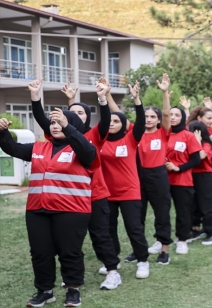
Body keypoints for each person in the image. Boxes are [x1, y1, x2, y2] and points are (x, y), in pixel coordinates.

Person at [31, 79, 123, 291]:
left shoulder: (92, 135)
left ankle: (112, 271)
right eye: (71, 113)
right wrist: (36, 98)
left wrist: (102, 98)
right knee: (68, 241)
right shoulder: (59, 135)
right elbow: (42, 118)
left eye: (81, 113)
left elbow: (106, 118)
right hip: (69, 199)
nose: (71, 118)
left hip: (95, 195)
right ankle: (70, 277)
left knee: (101, 235)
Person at [0, 108, 96, 307]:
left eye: (60, 122)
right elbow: (13, 149)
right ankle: (44, 291)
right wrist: (2, 132)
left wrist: (66, 125)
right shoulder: (38, 148)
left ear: (72, 126)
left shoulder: (83, 148)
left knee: (70, 252)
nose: (55, 125)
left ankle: (73, 290)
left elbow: (88, 153)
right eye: (52, 123)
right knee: (40, 252)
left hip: (72, 210)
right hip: (38, 210)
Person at [100, 82, 152, 280]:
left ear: (123, 124)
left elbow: (140, 122)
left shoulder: (131, 139)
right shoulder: (100, 140)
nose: (112, 124)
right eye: (109, 121)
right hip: (107, 192)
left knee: (134, 228)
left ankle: (142, 261)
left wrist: (137, 100)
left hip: (129, 191)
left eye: (116, 121)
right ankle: (113, 261)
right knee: (108, 229)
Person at [139, 74, 174, 265]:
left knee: (162, 213)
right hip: (138, 176)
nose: (149, 119)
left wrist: (165, 93)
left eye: (153, 116)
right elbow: (115, 114)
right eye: (145, 116)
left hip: (158, 175)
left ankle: (164, 249)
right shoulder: (134, 134)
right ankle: (139, 250)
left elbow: (167, 114)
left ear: (158, 120)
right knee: (138, 216)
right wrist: (107, 95)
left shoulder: (163, 133)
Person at [166, 106, 202, 254]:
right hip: (162, 180)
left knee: (183, 212)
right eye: (171, 114)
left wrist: (178, 168)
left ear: (182, 118)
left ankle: (182, 240)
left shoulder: (188, 135)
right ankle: (162, 240)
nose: (173, 117)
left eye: (177, 115)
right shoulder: (162, 134)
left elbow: (196, 159)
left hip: (182, 180)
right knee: (162, 213)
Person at [187, 120, 212, 245]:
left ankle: (211, 232)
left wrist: (197, 141)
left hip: (205, 177)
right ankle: (196, 229)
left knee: (206, 206)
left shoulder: (207, 144)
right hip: (192, 176)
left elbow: (201, 156)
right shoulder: (189, 143)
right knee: (194, 205)